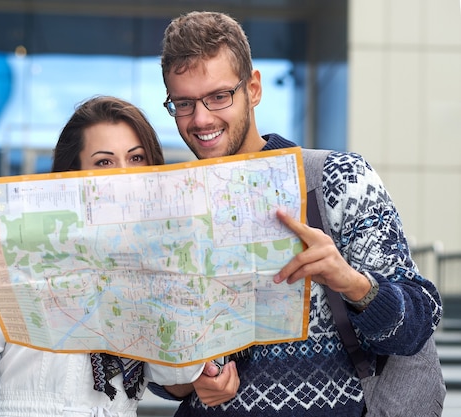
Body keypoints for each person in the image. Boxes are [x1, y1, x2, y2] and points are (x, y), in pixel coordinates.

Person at [147, 11, 443, 416]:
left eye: (218, 96)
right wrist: (188, 378)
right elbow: (162, 363)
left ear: (253, 89)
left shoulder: (338, 179)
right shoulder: (173, 209)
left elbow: (417, 324)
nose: (200, 119)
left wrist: (353, 285)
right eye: (183, 103)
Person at [0, 96, 204, 417]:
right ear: (74, 172)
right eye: (104, 161)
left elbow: (177, 374)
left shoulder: (159, 254)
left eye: (137, 158)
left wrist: (169, 279)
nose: (124, 175)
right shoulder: (22, 247)